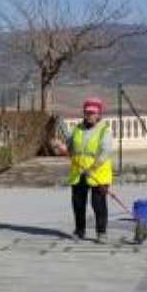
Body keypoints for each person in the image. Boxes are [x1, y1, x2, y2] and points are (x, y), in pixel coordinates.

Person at [53, 97, 113, 243]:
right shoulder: (78, 129)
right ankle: (80, 230)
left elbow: (105, 151)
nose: (90, 115)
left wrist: (93, 167)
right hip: (79, 173)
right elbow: (71, 148)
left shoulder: (104, 130)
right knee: (78, 204)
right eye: (87, 112)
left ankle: (101, 232)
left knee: (98, 204)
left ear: (99, 114)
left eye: (93, 113)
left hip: (98, 173)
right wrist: (61, 148)